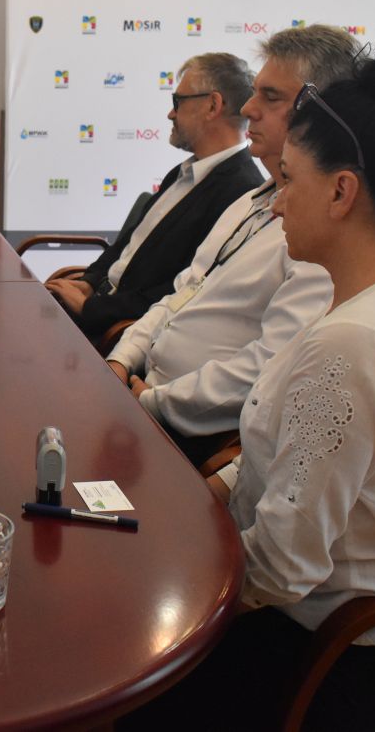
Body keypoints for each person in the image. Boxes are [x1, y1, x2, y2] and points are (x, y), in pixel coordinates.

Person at [132, 27, 375, 731]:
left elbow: (281, 568)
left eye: (289, 181)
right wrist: (197, 498)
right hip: (304, 610)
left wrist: (162, 581)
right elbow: (288, 454)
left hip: (325, 650)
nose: (278, 202)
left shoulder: (356, 343)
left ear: (342, 191)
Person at [105, 26, 357, 464]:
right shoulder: (249, 201)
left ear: (321, 112)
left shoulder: (323, 235)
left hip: (194, 434)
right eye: (254, 92)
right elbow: (182, 293)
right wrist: (122, 358)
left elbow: (267, 367)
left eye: (271, 97)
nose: (248, 109)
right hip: (146, 391)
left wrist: (153, 400)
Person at [45, 52, 263, 341]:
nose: (171, 114)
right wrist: (88, 282)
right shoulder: (184, 172)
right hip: (100, 308)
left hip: (119, 332)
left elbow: (183, 290)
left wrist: (92, 309)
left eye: (178, 101)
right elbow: (128, 245)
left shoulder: (241, 193)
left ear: (213, 105)